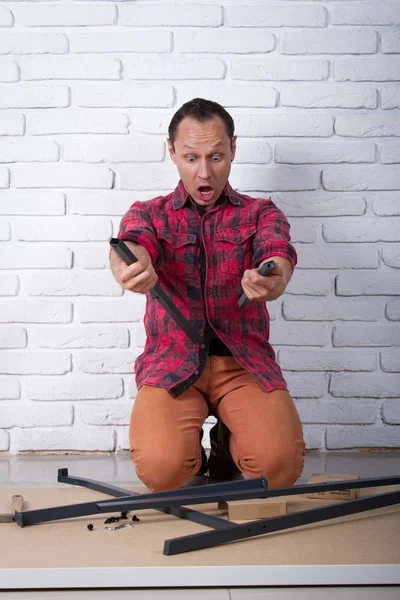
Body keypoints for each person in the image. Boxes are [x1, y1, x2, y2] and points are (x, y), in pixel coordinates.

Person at [110, 98, 305, 492]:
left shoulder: (260, 212)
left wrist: (274, 275)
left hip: (242, 363)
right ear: (171, 152)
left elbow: (276, 251)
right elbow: (131, 245)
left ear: (233, 148)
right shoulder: (149, 213)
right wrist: (131, 267)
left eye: (216, 156)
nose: (204, 172)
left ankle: (226, 442)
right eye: (191, 157)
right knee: (163, 473)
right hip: (173, 362)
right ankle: (190, 448)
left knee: (279, 470)